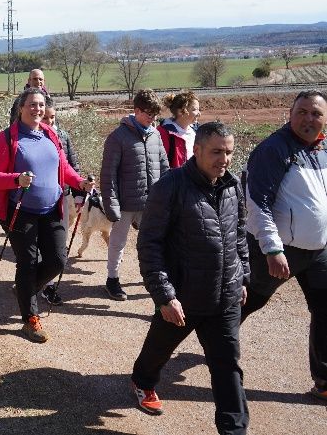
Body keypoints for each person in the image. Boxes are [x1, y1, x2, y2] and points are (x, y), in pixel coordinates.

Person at [131, 122, 249, 434]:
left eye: (228, 152)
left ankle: (234, 430)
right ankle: (142, 381)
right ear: (196, 151)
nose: (223, 159)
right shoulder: (170, 187)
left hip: (225, 295)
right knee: (158, 349)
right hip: (182, 296)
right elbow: (150, 243)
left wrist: (243, 277)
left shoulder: (233, 185)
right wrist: (164, 295)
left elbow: (238, 236)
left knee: (228, 367)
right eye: (216, 152)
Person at [0, 89, 94, 342]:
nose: (37, 109)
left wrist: (80, 182)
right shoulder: (7, 139)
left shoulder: (50, 134)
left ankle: (26, 290)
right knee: (28, 262)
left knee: (58, 260)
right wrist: (17, 179)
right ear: (20, 108)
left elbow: (63, 168)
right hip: (20, 210)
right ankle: (30, 320)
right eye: (32, 105)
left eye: (41, 105)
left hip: (52, 208)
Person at [241, 90, 327, 402]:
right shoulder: (274, 149)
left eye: (316, 113)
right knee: (249, 300)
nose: (308, 119)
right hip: (279, 249)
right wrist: (272, 249)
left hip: (318, 250)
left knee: (325, 309)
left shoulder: (323, 148)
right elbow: (257, 203)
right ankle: (218, 341)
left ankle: (325, 381)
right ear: (290, 114)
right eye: (302, 112)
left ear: (325, 119)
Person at [100, 89, 169, 301]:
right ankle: (112, 279)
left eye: (156, 115)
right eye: (149, 114)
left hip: (151, 202)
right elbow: (108, 174)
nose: (153, 119)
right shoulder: (117, 137)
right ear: (137, 110)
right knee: (118, 242)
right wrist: (111, 205)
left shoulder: (155, 135)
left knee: (154, 242)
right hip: (125, 203)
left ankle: (155, 278)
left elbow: (164, 167)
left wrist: (169, 196)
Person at [39, 101, 84, 306]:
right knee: (42, 241)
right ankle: (44, 285)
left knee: (60, 238)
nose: (49, 121)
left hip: (63, 195)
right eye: (46, 117)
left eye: (52, 118)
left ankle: (44, 280)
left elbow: (72, 166)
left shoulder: (63, 136)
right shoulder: (33, 137)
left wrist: (79, 194)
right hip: (40, 197)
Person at [157, 90, 201, 168]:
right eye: (194, 109)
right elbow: (160, 164)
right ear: (181, 112)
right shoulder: (164, 133)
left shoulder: (197, 131)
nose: (199, 113)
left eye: (199, 109)